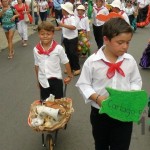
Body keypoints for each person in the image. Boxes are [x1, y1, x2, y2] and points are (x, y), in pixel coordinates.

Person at [76, 18, 142, 150]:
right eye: (120, 42)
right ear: (106, 40)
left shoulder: (129, 61)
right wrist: (97, 98)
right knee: (101, 144)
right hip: (100, 113)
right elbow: (83, 84)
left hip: (123, 111)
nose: (125, 46)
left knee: (122, 145)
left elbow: (136, 81)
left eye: (128, 42)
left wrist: (131, 94)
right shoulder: (92, 62)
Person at [33, 21, 73, 101]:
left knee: (58, 103)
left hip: (56, 80)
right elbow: (37, 66)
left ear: (53, 34)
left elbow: (66, 61)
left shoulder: (58, 48)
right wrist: (38, 80)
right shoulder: (36, 49)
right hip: (43, 81)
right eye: (42, 34)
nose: (45, 36)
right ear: (38, 34)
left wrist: (69, 76)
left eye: (48, 34)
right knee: (45, 104)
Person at [55, 2, 81, 76]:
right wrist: (54, 28)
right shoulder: (64, 17)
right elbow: (62, 27)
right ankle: (70, 67)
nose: (61, 10)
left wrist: (62, 25)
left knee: (73, 53)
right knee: (67, 53)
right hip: (66, 38)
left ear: (66, 10)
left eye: (63, 9)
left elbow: (73, 27)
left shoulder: (72, 18)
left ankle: (77, 68)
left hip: (72, 38)